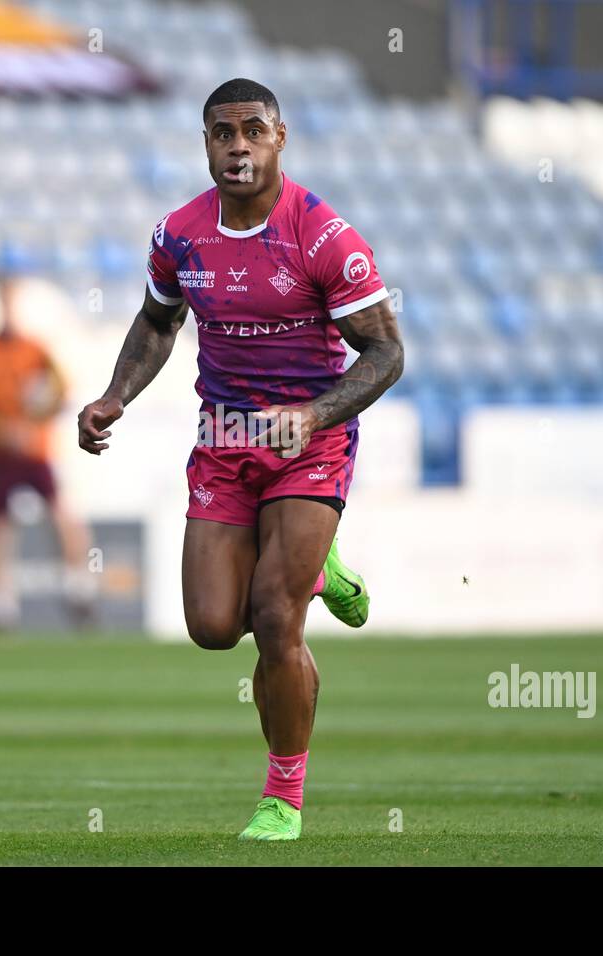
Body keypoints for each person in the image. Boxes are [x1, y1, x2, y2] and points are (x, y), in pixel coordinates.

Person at [77, 78, 404, 840]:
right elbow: (158, 322)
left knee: (272, 617)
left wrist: (316, 414)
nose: (238, 147)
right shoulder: (180, 233)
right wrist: (113, 396)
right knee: (214, 627)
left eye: (253, 131)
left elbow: (386, 352)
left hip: (309, 444)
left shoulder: (325, 238)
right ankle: (323, 570)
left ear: (280, 137)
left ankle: (282, 797)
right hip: (225, 441)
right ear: (206, 143)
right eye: (223, 134)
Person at [0, 273, 94, 629]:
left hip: (33, 449)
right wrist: (1, 430)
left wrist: (32, 425)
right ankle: (0, 602)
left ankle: (78, 587)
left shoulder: (35, 350)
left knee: (61, 513)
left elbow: (59, 390)